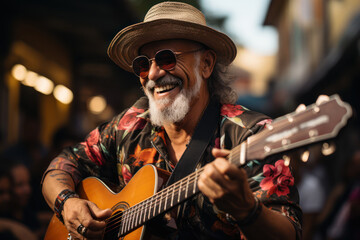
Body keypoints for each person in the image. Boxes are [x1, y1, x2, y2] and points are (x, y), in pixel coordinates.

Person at [41, 2, 302, 239]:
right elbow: (63, 164)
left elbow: (289, 234)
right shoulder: (129, 127)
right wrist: (67, 203)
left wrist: (247, 209)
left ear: (206, 64)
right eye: (143, 64)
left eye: (167, 58)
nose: (153, 74)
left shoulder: (251, 135)